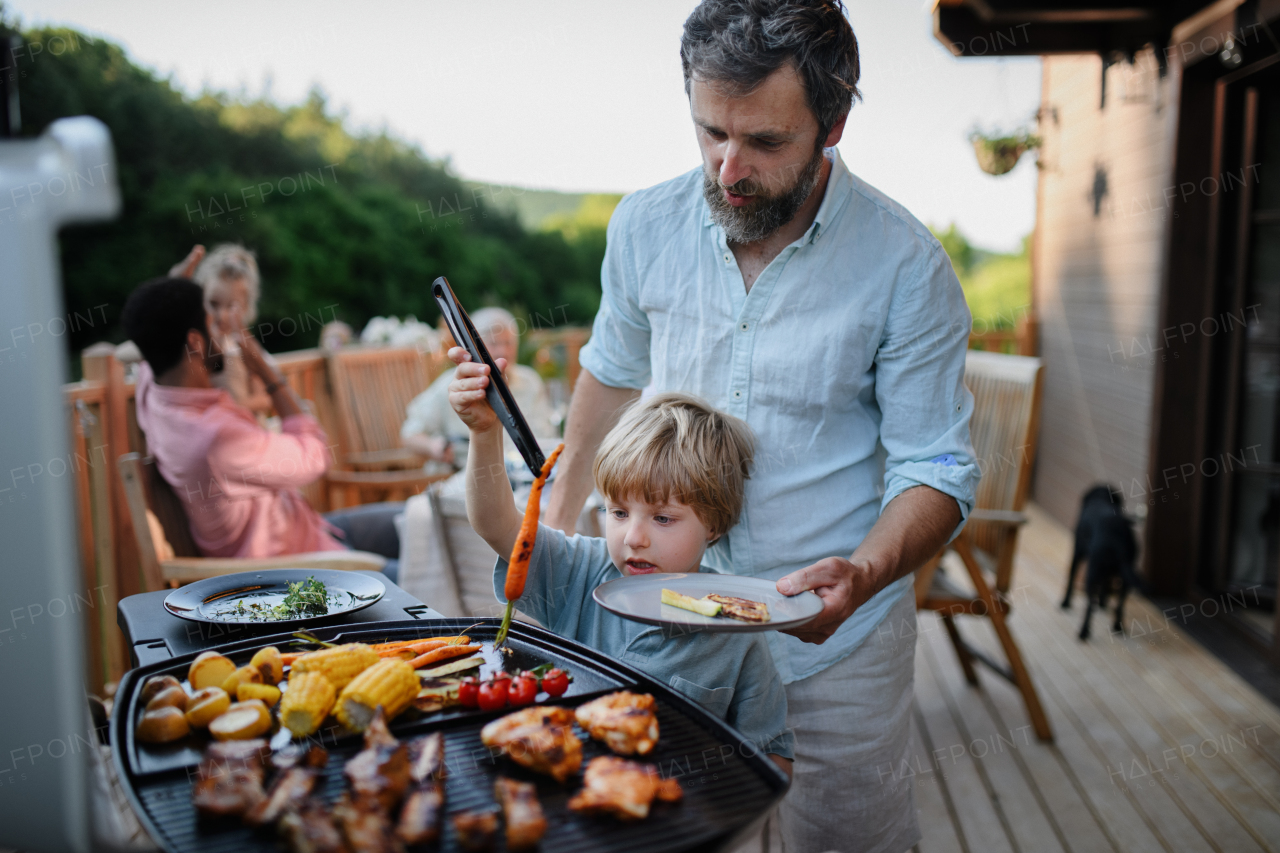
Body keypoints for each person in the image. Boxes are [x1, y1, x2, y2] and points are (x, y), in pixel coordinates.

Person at [540, 3, 981, 851]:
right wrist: (553, 533)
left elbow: (937, 467)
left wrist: (866, 568)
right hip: (664, 630)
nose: (728, 167)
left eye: (765, 144)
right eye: (710, 132)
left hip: (834, 650)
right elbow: (608, 375)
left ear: (835, 123)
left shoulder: (908, 266)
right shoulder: (643, 225)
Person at [449, 352, 794, 774]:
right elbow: (495, 524)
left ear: (715, 525)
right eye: (618, 512)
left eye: (662, 518)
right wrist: (485, 433)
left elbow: (771, 752)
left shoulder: (737, 627)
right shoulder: (581, 570)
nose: (633, 537)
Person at [122, 277, 403, 578]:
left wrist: (175, 282)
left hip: (312, 531)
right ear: (194, 342)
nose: (221, 333)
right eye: (211, 324)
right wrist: (261, 366)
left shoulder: (155, 400)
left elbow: (152, 339)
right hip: (302, 570)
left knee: (421, 519)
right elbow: (317, 456)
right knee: (440, 572)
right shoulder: (217, 438)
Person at [401, 307, 555, 470]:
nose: (503, 351)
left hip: (523, 475)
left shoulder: (530, 381)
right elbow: (410, 434)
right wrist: (433, 446)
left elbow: (547, 436)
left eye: (508, 343)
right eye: (493, 343)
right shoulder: (453, 385)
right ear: (472, 346)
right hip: (465, 476)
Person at [192, 243, 275, 417]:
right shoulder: (194, 347)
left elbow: (264, 398)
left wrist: (231, 408)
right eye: (213, 304)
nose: (221, 315)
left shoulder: (244, 349)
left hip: (247, 435)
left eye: (232, 307)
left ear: (245, 309)